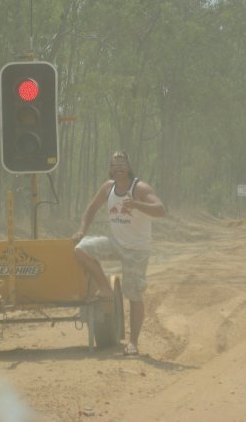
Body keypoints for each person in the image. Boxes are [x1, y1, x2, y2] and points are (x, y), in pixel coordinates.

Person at [72, 151, 165, 356]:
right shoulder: (108, 188)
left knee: (133, 293)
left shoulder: (140, 188)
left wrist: (137, 204)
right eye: (115, 165)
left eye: (122, 165)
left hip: (136, 250)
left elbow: (160, 209)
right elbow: (92, 208)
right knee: (80, 249)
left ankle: (133, 343)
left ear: (129, 167)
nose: (118, 169)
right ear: (110, 168)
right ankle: (105, 288)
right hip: (115, 243)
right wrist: (81, 230)